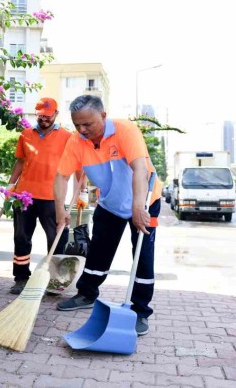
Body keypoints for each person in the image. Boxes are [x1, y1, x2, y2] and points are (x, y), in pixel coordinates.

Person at [52, 95, 162, 336]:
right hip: (110, 203)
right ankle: (87, 294)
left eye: (87, 124)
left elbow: (140, 169)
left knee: (142, 256)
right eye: (77, 125)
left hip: (143, 201)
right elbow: (61, 176)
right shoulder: (76, 141)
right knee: (99, 252)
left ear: (103, 116)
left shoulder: (125, 130)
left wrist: (137, 208)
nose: (82, 130)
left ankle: (140, 311)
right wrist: (61, 209)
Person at [6, 97, 75, 295]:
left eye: (47, 116)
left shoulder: (67, 137)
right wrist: (11, 185)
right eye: (40, 116)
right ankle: (21, 278)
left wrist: (83, 191)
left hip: (52, 197)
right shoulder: (26, 134)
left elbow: (77, 166)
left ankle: (55, 280)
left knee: (56, 239)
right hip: (24, 195)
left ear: (56, 114)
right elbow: (19, 162)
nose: (44, 119)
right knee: (21, 237)